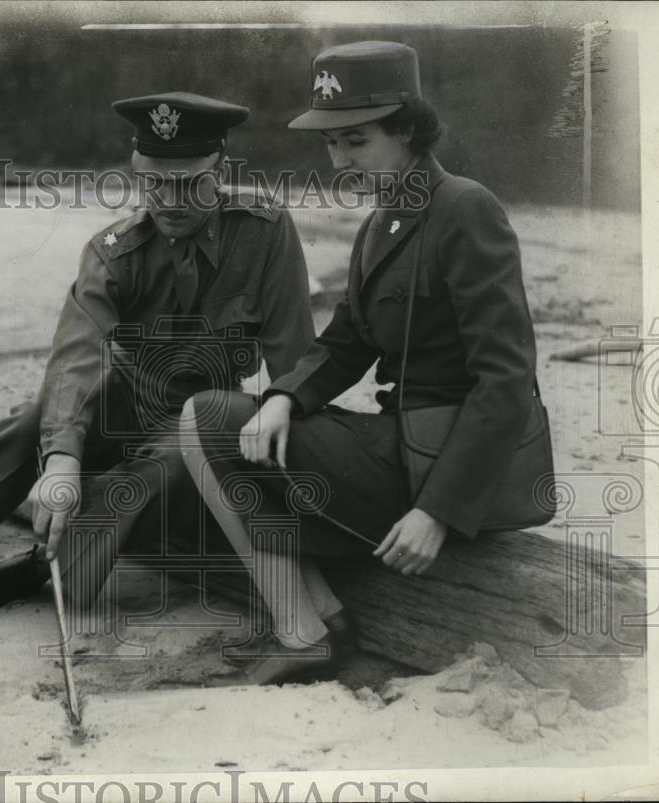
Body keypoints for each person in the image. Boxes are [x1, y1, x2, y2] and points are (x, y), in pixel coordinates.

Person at [0, 92, 317, 644]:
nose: (168, 200)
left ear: (219, 168)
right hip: (125, 394)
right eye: (154, 183)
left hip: (205, 413)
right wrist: (59, 462)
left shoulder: (265, 232)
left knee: (158, 470)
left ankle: (40, 568)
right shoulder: (113, 251)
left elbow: (293, 354)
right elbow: (76, 358)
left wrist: (286, 434)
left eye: (187, 182)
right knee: (33, 419)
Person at [180, 42, 539, 685]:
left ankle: (305, 630)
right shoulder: (383, 222)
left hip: (440, 466)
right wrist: (284, 397)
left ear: (406, 129)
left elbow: (506, 378)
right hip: (398, 447)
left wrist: (439, 510)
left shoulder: (464, 207)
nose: (340, 161)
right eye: (332, 145)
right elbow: (348, 341)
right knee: (232, 422)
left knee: (207, 418)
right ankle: (314, 626)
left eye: (356, 141)